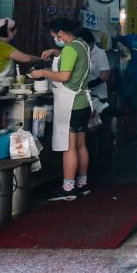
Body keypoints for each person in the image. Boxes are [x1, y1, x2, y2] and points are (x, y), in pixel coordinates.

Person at [30, 18, 93, 201]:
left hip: (71, 103)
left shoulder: (71, 49)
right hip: (83, 103)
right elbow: (71, 56)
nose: (55, 39)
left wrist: (42, 73)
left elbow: (64, 76)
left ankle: (68, 189)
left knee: (69, 147)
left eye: (54, 37)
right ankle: (82, 185)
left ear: (61, 33)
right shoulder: (81, 44)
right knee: (81, 145)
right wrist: (55, 51)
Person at [79, 29, 110, 104]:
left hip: (99, 95)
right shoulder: (80, 52)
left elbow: (105, 76)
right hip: (82, 94)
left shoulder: (100, 54)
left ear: (91, 42)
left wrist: (87, 85)